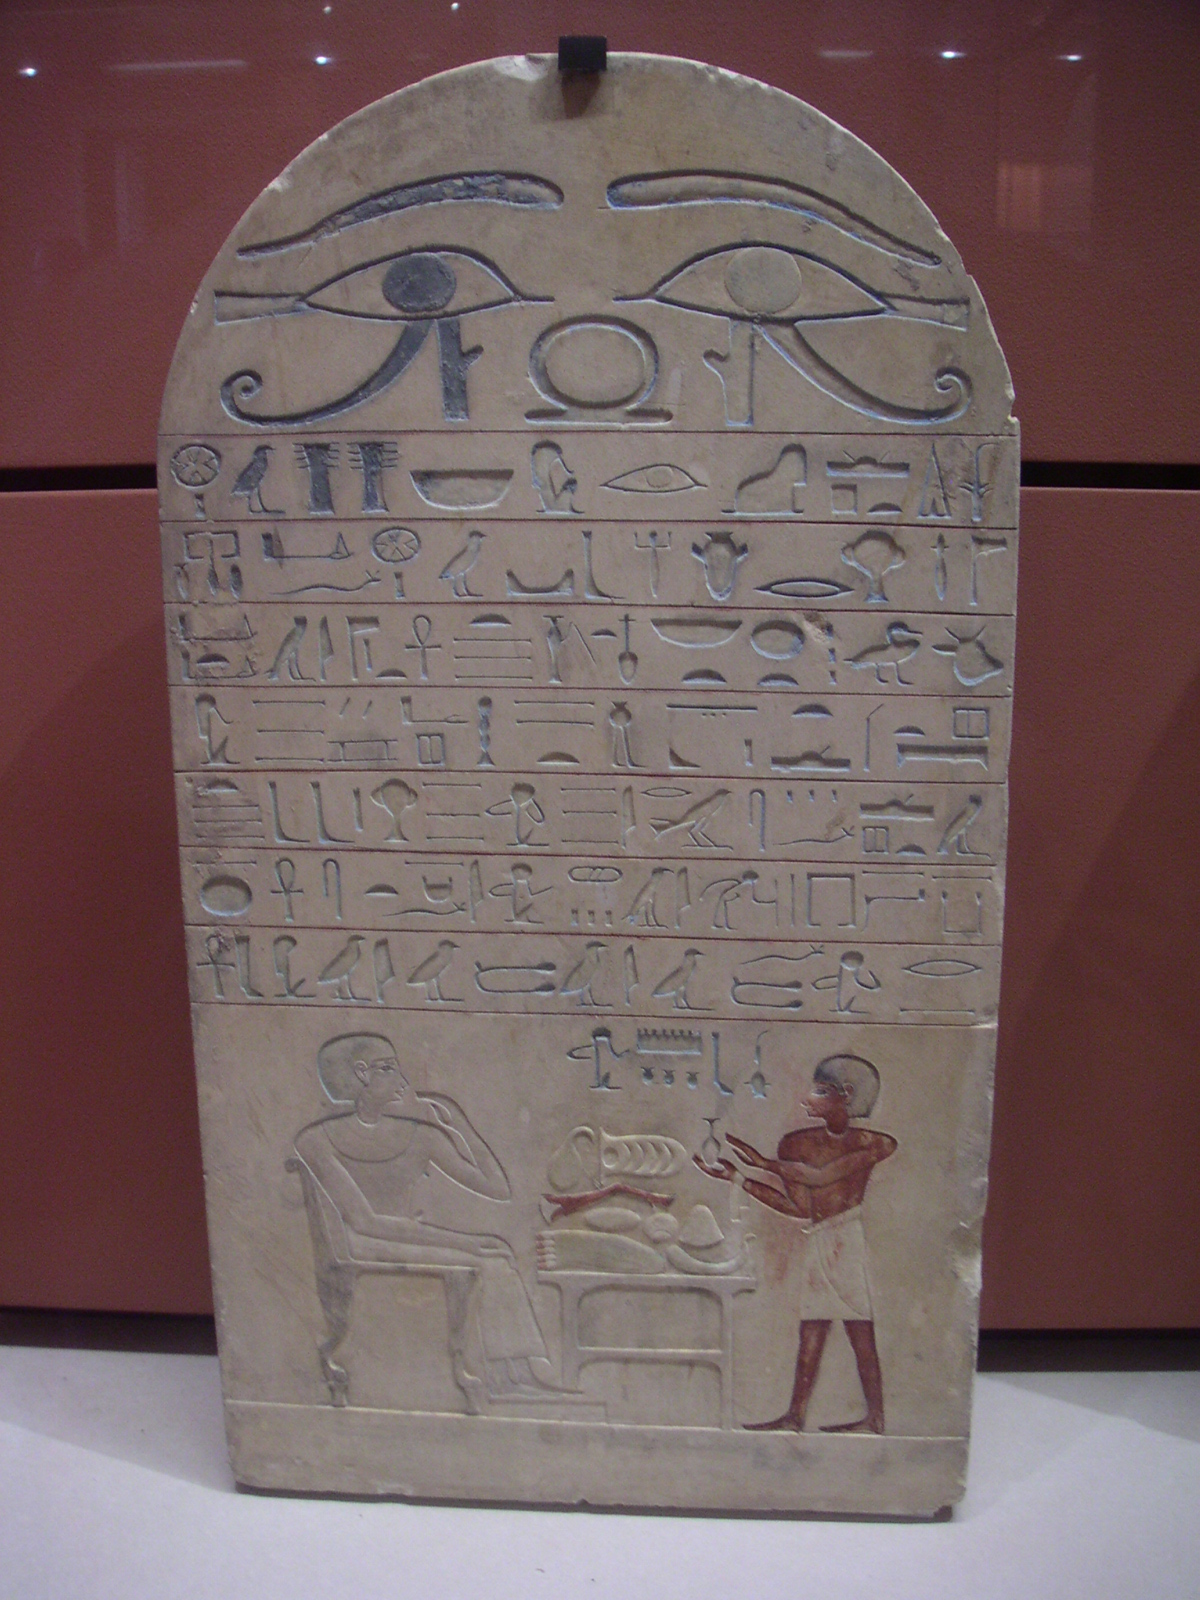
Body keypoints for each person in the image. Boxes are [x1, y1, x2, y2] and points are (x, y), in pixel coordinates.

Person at [293, 1032, 556, 1399]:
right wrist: (465, 1242)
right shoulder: (316, 1140)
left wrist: (458, 1123)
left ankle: (517, 1374)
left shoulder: (419, 1135)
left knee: (497, 1255)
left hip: (404, 1236)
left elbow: (497, 1189)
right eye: (388, 1068)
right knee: (488, 1259)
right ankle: (503, 1380)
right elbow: (364, 1222)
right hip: (358, 1243)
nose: (402, 1080)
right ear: (362, 1073)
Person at [695, 1054, 896, 1432]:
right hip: (821, 1238)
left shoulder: (873, 1143)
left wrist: (764, 1164)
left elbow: (822, 1176)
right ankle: (796, 1415)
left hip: (846, 1240)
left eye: (819, 1091)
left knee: (859, 1329)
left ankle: (876, 1416)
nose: (807, 1098)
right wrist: (739, 1179)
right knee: (812, 1328)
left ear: (846, 1094)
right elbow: (798, 1207)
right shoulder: (797, 1144)